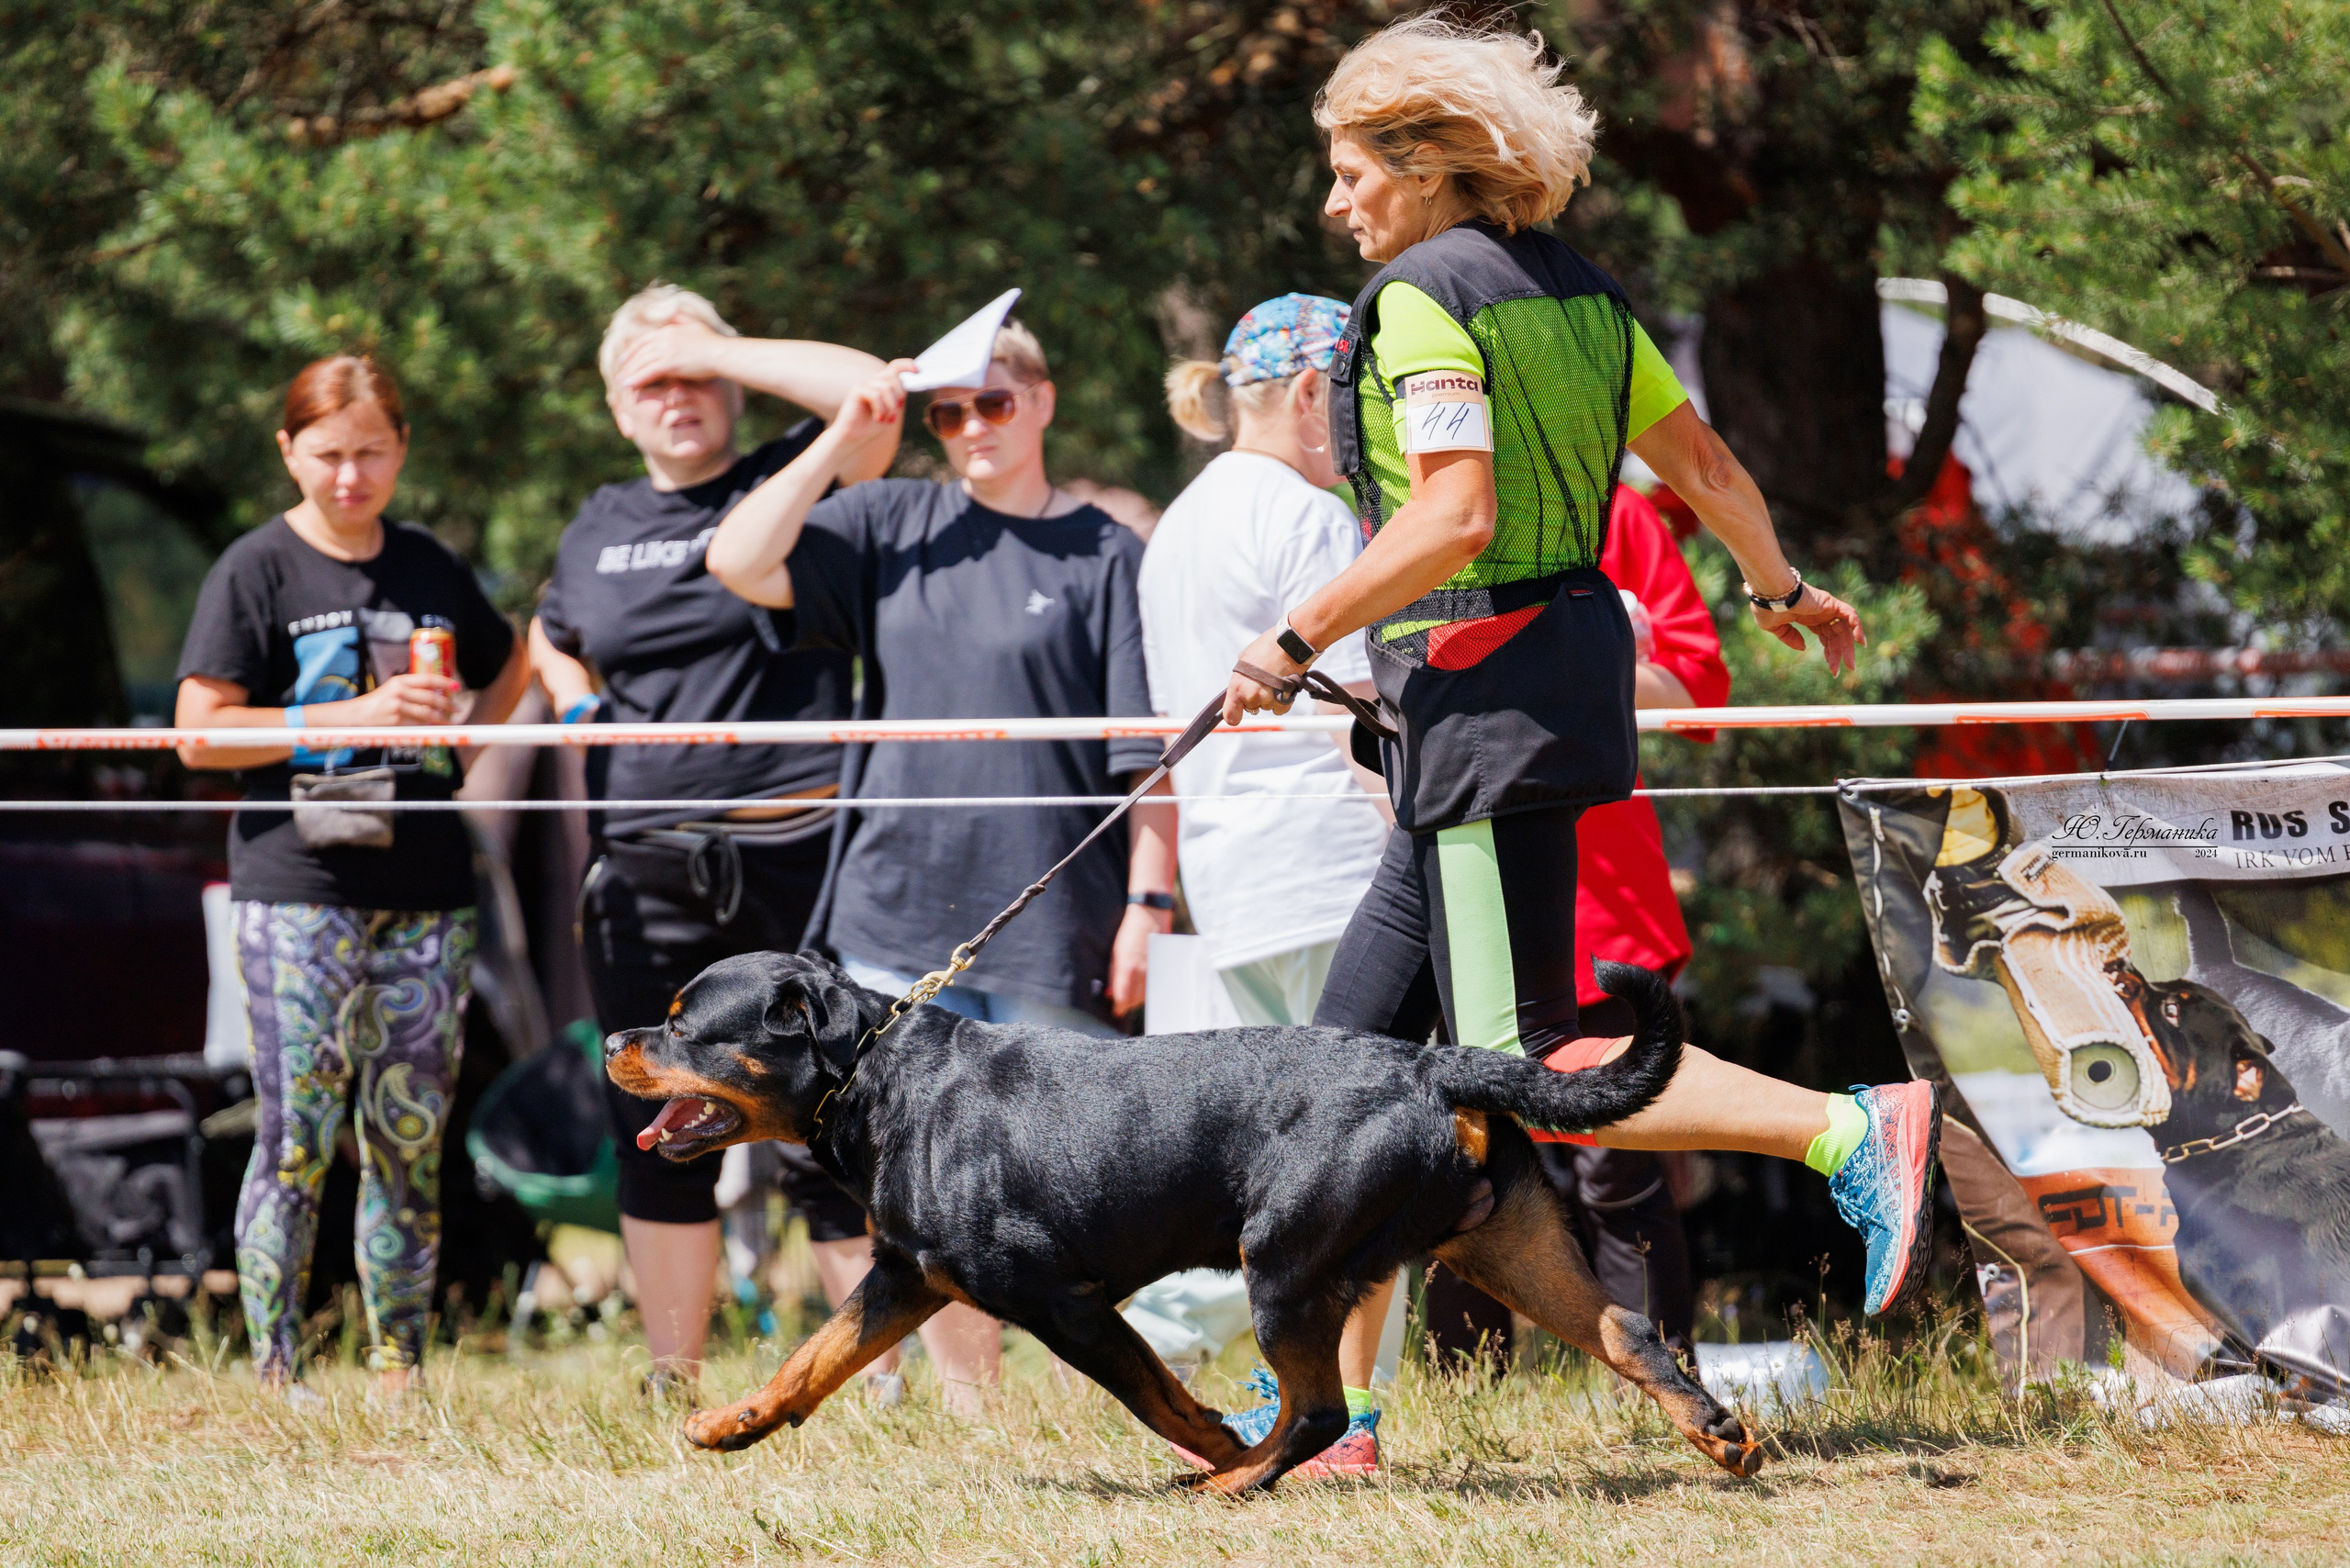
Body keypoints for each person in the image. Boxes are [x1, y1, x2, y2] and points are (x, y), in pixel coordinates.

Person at [1219, 14, 1941, 1456]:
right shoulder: (1588, 300)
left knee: (1529, 1047)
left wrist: (1295, 637)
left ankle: (1845, 1131)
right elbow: (1708, 466)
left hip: (1484, 693)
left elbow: (1454, 515)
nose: (1336, 201)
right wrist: (1780, 586)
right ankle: (1335, 1410)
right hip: (1534, 681)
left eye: (1354, 170)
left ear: (1430, 170)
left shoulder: (1424, 299)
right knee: (1345, 1067)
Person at [703, 316, 1178, 1413]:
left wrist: (1148, 900)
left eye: (994, 403)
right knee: (921, 1186)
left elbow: (1142, 750)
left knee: (1076, 1178)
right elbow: (737, 558)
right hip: (893, 906)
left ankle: (1102, 1390)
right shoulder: (892, 518)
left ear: (1044, 402)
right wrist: (846, 430)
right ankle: (974, 1406)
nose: (971, 428)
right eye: (949, 412)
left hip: (1054, 910)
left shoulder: (1106, 550)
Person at [528, 284, 901, 1392]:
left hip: (795, 850)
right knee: (653, 1112)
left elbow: (872, 390)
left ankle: (870, 1371)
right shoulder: (597, 522)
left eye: (698, 374)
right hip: (644, 860)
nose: (678, 396)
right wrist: (573, 699)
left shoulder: (789, 472)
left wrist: (714, 345)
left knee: (830, 1115)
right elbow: (555, 632)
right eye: (653, 379)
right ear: (615, 406)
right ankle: (671, 1376)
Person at [174, 354, 529, 1394]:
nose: (349, 476)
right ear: (289, 450)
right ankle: (275, 1370)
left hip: (426, 886)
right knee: (295, 1134)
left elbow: (508, 666)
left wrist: (467, 744)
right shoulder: (256, 567)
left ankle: (397, 1367)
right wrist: (347, 718)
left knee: (409, 1137)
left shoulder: (428, 563)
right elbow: (199, 736)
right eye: (328, 454)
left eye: (371, 451)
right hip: (298, 885)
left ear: (402, 449)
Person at [1422, 484, 1723, 1371]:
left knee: (1618, 1162)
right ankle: (1463, 1390)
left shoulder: (1613, 513)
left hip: (1602, 892)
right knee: (1453, 1161)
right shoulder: (1406, 509)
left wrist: (1575, 648)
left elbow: (1700, 684)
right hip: (1454, 873)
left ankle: (1666, 1385)